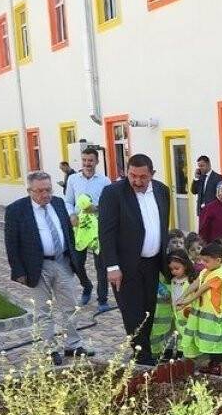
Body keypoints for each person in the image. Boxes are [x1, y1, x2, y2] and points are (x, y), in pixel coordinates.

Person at [3, 172, 93, 366]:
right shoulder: (16, 210)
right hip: (36, 266)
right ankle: (49, 349)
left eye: (48, 189)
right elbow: (11, 244)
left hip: (62, 262)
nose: (46, 194)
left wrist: (74, 258)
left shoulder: (59, 204)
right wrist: (18, 271)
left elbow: (68, 232)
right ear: (30, 191)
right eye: (40, 190)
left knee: (70, 306)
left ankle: (73, 345)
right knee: (43, 310)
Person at [98, 152, 171, 364]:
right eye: (132, 176)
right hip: (125, 265)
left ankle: (144, 350)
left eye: (142, 177)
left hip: (153, 262)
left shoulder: (162, 190)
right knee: (132, 312)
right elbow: (106, 232)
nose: (137, 181)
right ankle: (142, 357)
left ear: (152, 174)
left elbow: (162, 225)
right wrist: (112, 266)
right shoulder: (113, 193)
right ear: (126, 173)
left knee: (149, 309)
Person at [66, 146, 113, 311]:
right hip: (79, 227)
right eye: (85, 160)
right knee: (76, 262)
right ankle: (87, 286)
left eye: (91, 160)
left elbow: (110, 204)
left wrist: (98, 208)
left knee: (101, 265)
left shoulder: (104, 181)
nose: (87, 163)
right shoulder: (73, 179)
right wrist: (71, 215)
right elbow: (68, 201)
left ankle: (102, 300)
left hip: (98, 227)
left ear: (97, 161)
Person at [177, 242, 222, 371]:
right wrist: (183, 296)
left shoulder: (219, 274)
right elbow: (196, 283)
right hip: (206, 315)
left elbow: (201, 290)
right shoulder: (206, 270)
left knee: (217, 341)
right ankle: (212, 364)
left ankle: (217, 365)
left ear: (218, 260)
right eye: (202, 260)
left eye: (206, 261)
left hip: (216, 315)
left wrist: (186, 302)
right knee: (208, 339)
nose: (203, 263)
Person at [151, 250, 195, 360]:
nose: (173, 271)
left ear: (185, 265)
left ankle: (185, 353)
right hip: (175, 313)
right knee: (174, 333)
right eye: (171, 269)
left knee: (185, 334)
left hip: (186, 314)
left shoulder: (191, 281)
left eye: (177, 268)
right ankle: (173, 352)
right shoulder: (173, 280)